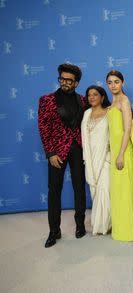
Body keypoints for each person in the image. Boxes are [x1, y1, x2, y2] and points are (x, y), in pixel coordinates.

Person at [38, 64, 88, 247]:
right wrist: (50, 153)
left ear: (76, 82)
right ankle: (54, 231)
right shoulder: (47, 100)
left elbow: (102, 110)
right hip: (56, 152)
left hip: (78, 150)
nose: (64, 82)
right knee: (54, 191)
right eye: (62, 78)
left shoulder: (84, 100)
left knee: (79, 188)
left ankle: (80, 225)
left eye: (69, 80)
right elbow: (44, 128)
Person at [106, 70, 133, 241]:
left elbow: (127, 129)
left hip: (124, 151)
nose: (113, 85)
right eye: (110, 82)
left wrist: (121, 153)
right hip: (116, 149)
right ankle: (122, 229)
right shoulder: (113, 101)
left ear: (123, 83)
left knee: (127, 190)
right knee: (119, 192)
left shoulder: (124, 100)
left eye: (116, 82)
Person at [81, 86, 112, 235]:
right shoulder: (86, 114)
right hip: (90, 158)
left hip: (105, 158)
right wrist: (88, 159)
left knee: (104, 190)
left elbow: (116, 133)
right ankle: (99, 223)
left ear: (102, 97)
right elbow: (84, 139)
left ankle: (106, 225)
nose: (91, 97)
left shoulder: (110, 112)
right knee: (94, 190)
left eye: (95, 94)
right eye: (89, 95)